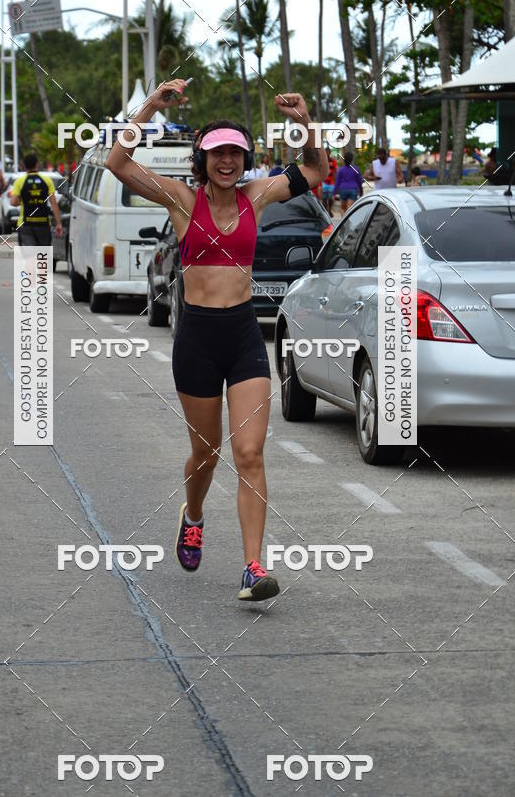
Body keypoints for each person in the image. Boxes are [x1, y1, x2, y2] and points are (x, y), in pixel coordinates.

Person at [105, 80, 329, 601]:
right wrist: (150, 107)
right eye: (216, 153)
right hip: (198, 340)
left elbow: (316, 170)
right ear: (202, 160)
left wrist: (304, 121)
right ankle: (194, 515)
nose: (226, 161)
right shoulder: (181, 200)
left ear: (245, 158)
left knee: (249, 452)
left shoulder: (260, 193)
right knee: (205, 454)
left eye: (234, 152)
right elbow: (118, 163)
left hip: (244, 335)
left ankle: (254, 566)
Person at [9, 152, 63, 246]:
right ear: (37, 164)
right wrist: (58, 223)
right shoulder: (47, 180)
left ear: (24, 166)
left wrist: (24, 201)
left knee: (28, 256)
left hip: (25, 224)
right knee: (42, 257)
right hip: (43, 224)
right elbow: (53, 203)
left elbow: (13, 202)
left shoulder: (20, 181)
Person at [334, 151, 363, 215]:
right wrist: (361, 192)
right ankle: (348, 222)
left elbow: (337, 182)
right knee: (349, 209)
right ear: (352, 159)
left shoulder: (341, 170)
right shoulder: (356, 169)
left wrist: (334, 193)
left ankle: (343, 222)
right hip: (353, 189)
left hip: (343, 189)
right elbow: (360, 182)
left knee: (342, 208)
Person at [319, 147, 337, 211]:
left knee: (330, 198)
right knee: (324, 198)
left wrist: (335, 182)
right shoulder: (322, 161)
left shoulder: (333, 161)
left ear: (330, 153)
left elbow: (335, 172)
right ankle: (326, 210)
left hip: (331, 182)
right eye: (326, 152)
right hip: (324, 182)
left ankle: (329, 209)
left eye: (328, 152)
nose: (327, 153)